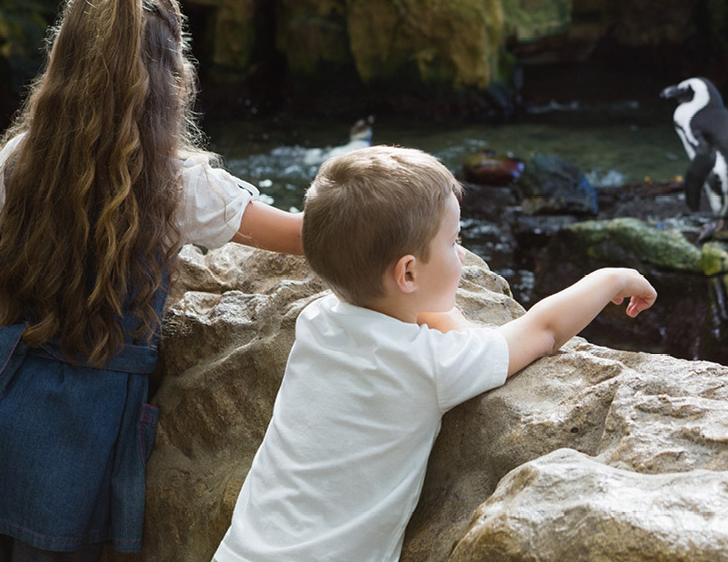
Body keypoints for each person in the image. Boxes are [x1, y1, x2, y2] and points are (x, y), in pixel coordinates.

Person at [0, 0, 304, 562]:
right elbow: (308, 236)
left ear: (63, 61)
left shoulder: (20, 159)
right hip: (82, 429)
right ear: (174, 74)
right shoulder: (178, 184)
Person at [213, 146, 657, 562]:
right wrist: (611, 278)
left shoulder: (317, 320)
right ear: (407, 272)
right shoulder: (432, 365)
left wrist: (435, 302)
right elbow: (541, 330)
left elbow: (425, 316)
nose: (462, 253)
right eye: (453, 241)